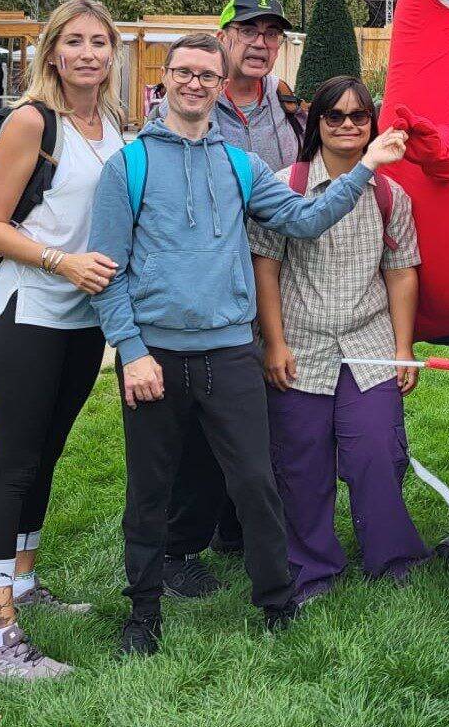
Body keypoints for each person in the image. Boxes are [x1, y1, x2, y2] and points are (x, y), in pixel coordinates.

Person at [88, 33, 409, 657]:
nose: (195, 84)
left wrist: (366, 167)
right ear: (166, 79)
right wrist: (130, 351)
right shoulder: (127, 166)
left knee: (257, 484)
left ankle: (276, 600)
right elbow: (108, 269)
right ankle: (144, 614)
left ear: (219, 81)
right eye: (184, 72)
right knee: (149, 489)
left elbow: (302, 219)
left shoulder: (240, 165)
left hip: (231, 351)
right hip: (156, 355)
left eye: (207, 75)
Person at [0, 0, 126, 680]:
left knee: (47, 453)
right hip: (28, 311)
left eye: (100, 41)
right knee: (14, 462)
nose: (88, 52)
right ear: (52, 51)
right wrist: (62, 261)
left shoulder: (110, 122)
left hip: (83, 319)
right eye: (75, 41)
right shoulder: (32, 121)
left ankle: (25, 584)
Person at [254, 76, 430, 604]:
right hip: (302, 344)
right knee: (302, 463)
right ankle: (312, 567)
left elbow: (401, 272)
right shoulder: (284, 185)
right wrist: (274, 342)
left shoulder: (389, 195)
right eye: (335, 116)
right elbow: (266, 268)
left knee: (377, 451)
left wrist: (404, 347)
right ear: (317, 124)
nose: (348, 126)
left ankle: (392, 556)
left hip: (368, 342)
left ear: (373, 125)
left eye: (359, 117)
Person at [160, 0, 306, 593]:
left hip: (273, 284)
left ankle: (239, 525)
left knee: (259, 409)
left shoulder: (293, 111)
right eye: (248, 30)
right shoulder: (193, 103)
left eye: (272, 34)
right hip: (204, 287)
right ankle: (178, 544)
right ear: (223, 39)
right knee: (196, 421)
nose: (261, 43)